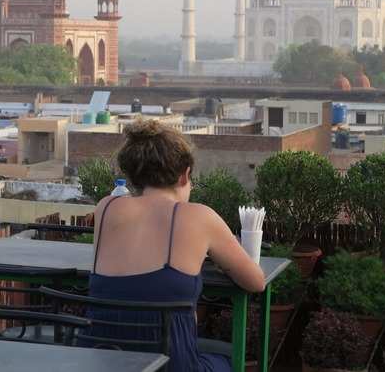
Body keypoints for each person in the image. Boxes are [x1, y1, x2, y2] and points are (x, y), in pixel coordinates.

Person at [88, 120, 265, 371]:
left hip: (105, 360)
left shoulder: (106, 207)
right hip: (171, 364)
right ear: (184, 174)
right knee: (227, 360)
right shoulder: (199, 216)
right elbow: (255, 281)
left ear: (134, 174)